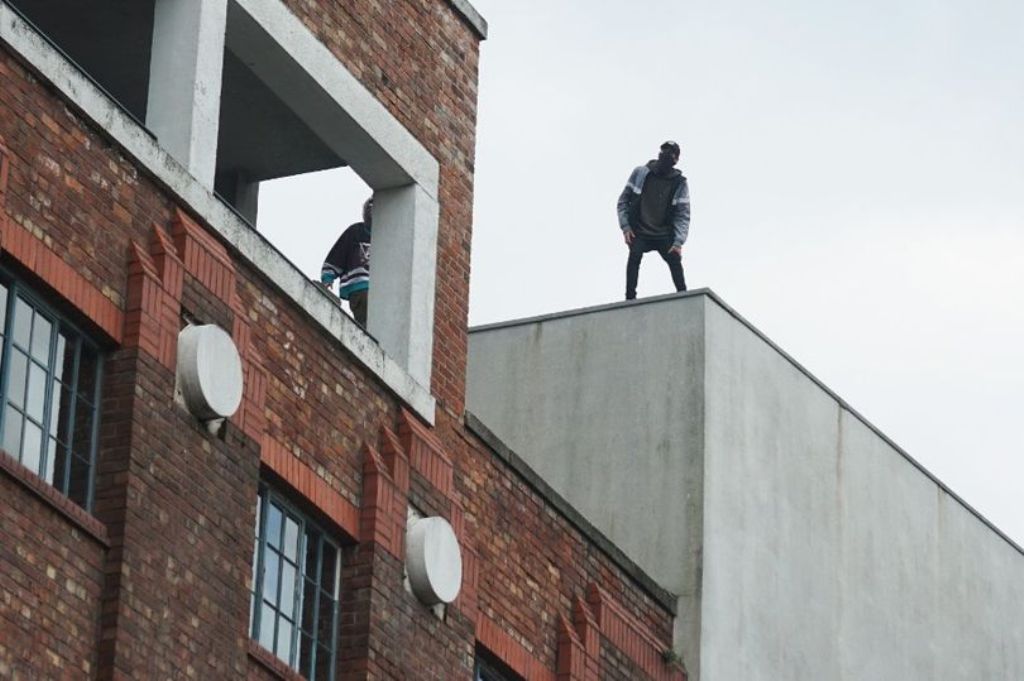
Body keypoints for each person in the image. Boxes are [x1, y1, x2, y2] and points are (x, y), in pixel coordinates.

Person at [616, 141, 690, 300]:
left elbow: (683, 215)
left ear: (676, 159)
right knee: (634, 256)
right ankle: (630, 300)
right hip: (640, 231)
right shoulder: (641, 173)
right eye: (663, 152)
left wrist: (678, 242)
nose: (664, 156)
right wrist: (626, 227)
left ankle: (685, 297)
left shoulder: (679, 183)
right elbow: (623, 201)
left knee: (675, 260)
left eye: (669, 154)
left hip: (663, 232)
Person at [321, 197, 373, 326]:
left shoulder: (388, 235)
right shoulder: (355, 232)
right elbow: (339, 253)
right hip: (359, 287)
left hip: (380, 288)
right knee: (366, 320)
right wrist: (328, 276)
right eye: (370, 209)